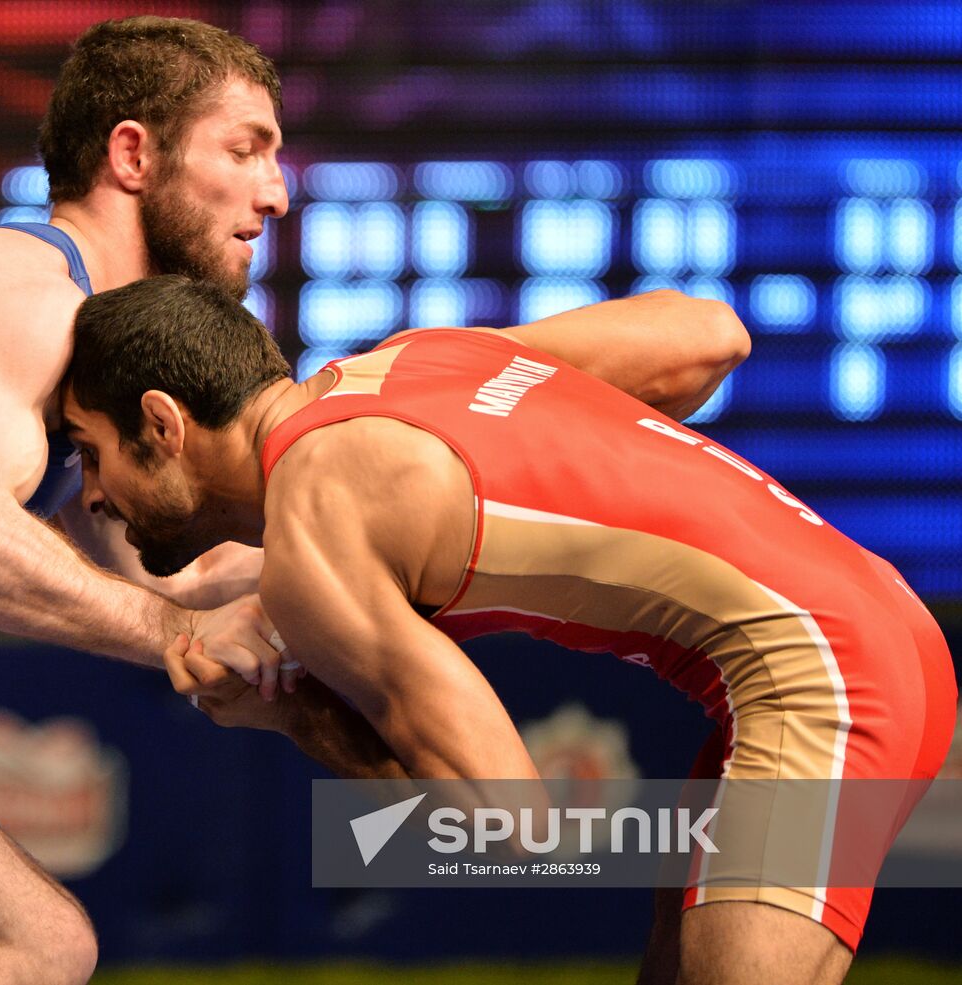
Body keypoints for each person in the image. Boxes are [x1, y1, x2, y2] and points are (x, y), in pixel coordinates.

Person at [0, 14, 757, 982]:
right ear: (132, 156)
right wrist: (188, 637)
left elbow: (174, 571)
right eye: (244, 148)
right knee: (35, 945)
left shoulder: (104, 357)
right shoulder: (26, 283)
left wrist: (310, 600)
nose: (277, 191)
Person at [59, 274, 956, 985]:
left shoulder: (314, 535)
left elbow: (510, 830)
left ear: (162, 423)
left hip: (825, 678)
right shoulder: (422, 360)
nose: (93, 494)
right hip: (848, 632)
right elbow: (712, 335)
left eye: (92, 451)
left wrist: (288, 713)